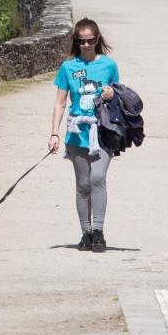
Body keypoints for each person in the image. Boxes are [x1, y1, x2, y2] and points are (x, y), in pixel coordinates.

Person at [48, 18, 118, 252]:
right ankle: (85, 232)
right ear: (76, 42)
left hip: (102, 132)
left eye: (90, 40)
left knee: (98, 177)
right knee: (83, 185)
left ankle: (98, 230)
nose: (86, 45)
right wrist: (54, 134)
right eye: (82, 41)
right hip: (77, 133)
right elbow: (59, 103)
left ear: (97, 40)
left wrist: (110, 93)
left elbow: (119, 96)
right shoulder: (68, 68)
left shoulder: (109, 65)